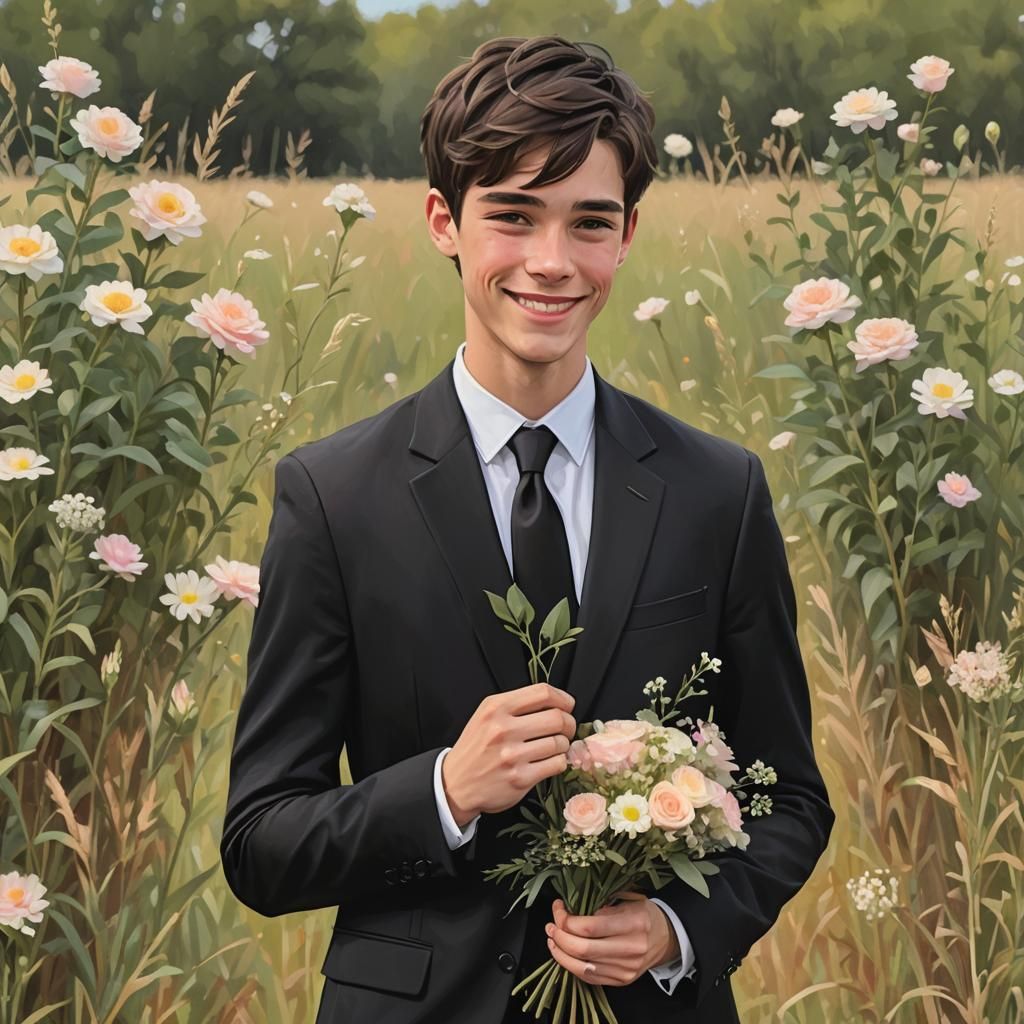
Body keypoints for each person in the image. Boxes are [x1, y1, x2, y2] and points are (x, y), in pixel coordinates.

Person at [219, 34, 835, 1024]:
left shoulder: (719, 491)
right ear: (443, 220)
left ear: (627, 233)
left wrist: (678, 929)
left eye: (588, 222)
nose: (551, 263)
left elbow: (791, 800)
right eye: (512, 216)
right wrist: (447, 790)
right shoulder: (331, 496)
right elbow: (261, 840)